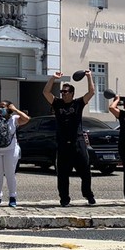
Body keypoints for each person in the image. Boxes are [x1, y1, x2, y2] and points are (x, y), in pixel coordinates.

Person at [42, 71, 96, 207]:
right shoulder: (57, 103)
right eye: (62, 92)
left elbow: (91, 92)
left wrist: (89, 77)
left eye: (65, 92)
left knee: (85, 172)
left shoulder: (78, 103)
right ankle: (64, 198)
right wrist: (53, 78)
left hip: (78, 142)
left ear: (72, 93)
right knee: (63, 175)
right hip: (62, 144)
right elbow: (46, 92)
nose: (63, 94)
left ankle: (88, 195)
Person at [0, 96, 30, 207]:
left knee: (10, 174)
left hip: (11, 150)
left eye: (3, 107)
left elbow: (27, 119)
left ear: (9, 108)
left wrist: (15, 109)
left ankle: (12, 197)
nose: (0, 109)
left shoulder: (14, 119)